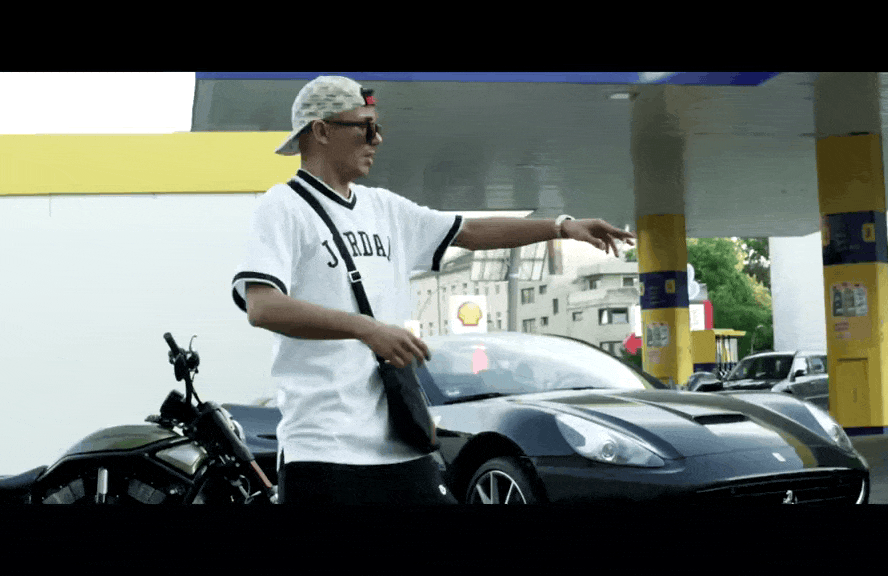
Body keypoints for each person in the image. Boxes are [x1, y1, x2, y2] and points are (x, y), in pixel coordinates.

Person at [231, 75, 636, 504]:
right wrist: (367, 328)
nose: (377, 139)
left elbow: (469, 231)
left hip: (403, 442)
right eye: (365, 127)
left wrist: (561, 227)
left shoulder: (383, 208)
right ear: (321, 131)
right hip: (324, 448)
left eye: (377, 127)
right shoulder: (283, 207)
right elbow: (263, 306)